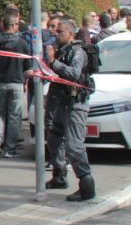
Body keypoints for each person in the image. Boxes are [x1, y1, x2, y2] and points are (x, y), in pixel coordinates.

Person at [36, 19, 94, 201]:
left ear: (71, 33)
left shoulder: (77, 52)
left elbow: (73, 74)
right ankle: (59, 176)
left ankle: (87, 185)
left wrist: (53, 62)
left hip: (75, 104)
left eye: (60, 31)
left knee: (74, 146)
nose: (56, 34)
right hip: (61, 103)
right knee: (54, 139)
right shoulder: (60, 50)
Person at [0, 11, 32, 158]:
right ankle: (9, 149)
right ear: (13, 25)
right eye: (17, 23)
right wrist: (25, 82)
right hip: (16, 83)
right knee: (14, 116)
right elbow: (27, 67)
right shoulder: (22, 43)